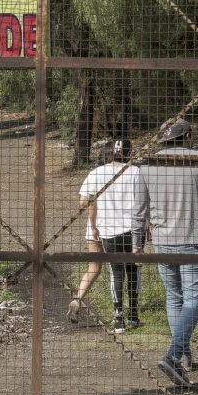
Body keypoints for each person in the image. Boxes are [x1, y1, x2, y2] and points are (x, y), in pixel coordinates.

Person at [140, 119, 198, 386]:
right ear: (188, 136)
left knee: (174, 297)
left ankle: (184, 355)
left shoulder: (149, 163)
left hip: (162, 241)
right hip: (193, 239)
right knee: (194, 300)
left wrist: (137, 241)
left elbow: (141, 207)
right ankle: (174, 355)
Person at [68, 139, 148, 333]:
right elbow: (143, 200)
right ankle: (134, 315)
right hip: (133, 228)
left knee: (115, 272)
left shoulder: (96, 173)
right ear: (127, 153)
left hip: (109, 230)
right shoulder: (136, 171)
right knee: (133, 270)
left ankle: (118, 316)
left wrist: (95, 224)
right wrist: (148, 224)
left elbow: (84, 201)